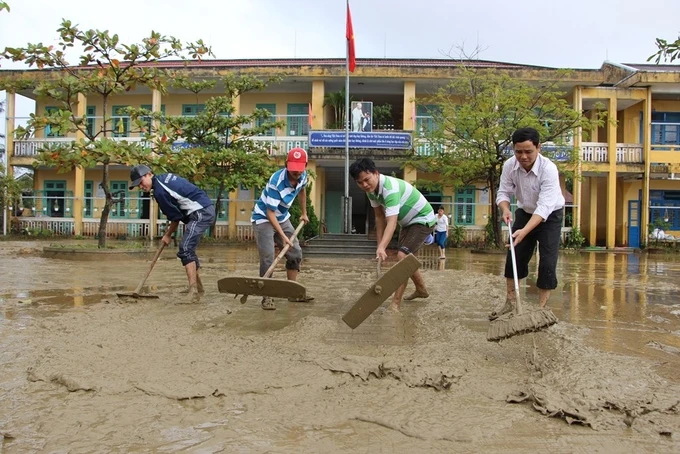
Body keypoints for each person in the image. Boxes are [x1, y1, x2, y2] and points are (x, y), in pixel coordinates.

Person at [489, 127, 565, 320]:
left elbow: (544, 208)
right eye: (518, 151)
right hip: (524, 211)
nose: (523, 156)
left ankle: (541, 309)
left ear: (538, 148)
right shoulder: (509, 165)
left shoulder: (548, 169)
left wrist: (524, 232)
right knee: (515, 255)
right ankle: (511, 303)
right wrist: (505, 209)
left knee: (547, 261)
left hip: (550, 215)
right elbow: (503, 193)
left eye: (528, 151)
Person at [349, 157, 436, 311]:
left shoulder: (390, 188)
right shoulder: (371, 192)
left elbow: (391, 222)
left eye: (367, 180)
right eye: (360, 182)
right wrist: (379, 247)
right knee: (407, 259)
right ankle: (421, 289)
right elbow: (380, 217)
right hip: (407, 223)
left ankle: (395, 304)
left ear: (376, 173)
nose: (364, 185)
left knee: (403, 257)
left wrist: (383, 246)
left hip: (422, 219)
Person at [129, 164, 215, 304]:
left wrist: (167, 235)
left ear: (149, 174)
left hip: (201, 212)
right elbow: (178, 212)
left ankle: (193, 292)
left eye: (141, 182)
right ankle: (198, 288)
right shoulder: (164, 178)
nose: (141, 186)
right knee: (189, 249)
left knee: (185, 248)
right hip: (201, 210)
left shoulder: (160, 191)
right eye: (138, 185)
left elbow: (175, 217)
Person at [251, 147, 314, 310]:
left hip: (282, 218)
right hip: (263, 219)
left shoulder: (303, 176)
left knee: (295, 252)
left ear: (305, 165)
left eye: (299, 169)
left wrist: (304, 213)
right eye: (293, 169)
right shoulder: (276, 181)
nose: (296, 173)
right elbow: (270, 213)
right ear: (287, 164)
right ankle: (267, 296)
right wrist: (283, 236)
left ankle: (292, 292)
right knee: (268, 257)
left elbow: (302, 191)